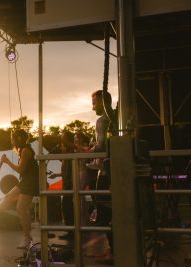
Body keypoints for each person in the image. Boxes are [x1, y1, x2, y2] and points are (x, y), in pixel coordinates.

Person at [0, 129, 39, 249]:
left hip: (30, 182)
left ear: (19, 139)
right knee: (8, 197)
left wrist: (7, 161)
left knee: (21, 209)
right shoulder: (23, 150)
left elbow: (20, 169)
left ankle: (27, 237)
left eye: (13, 138)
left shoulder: (25, 150)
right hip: (26, 181)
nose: (12, 141)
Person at [89, 90, 114, 264]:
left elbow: (100, 147)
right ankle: (112, 248)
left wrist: (83, 152)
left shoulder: (102, 120)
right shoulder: (115, 118)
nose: (92, 107)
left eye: (94, 102)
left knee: (105, 212)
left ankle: (112, 251)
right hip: (115, 169)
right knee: (113, 211)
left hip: (105, 171)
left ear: (103, 102)